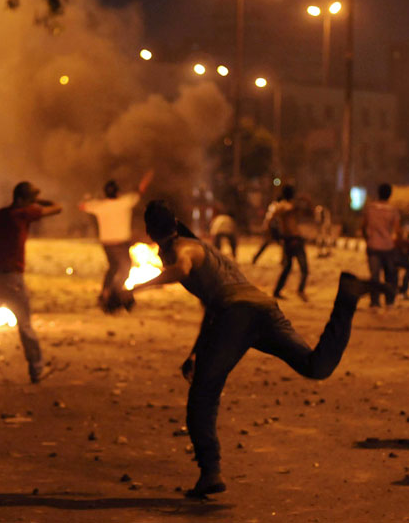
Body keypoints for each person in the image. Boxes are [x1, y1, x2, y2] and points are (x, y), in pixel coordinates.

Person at [120, 200, 384, 497]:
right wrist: (197, 350)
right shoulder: (200, 249)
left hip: (236, 314)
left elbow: (184, 270)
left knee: (203, 396)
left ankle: (210, 472)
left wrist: (135, 289)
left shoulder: (183, 248)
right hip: (261, 307)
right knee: (315, 366)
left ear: (150, 232)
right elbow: (213, 303)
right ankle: (347, 299)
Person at [0, 181, 62, 392]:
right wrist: (37, 202)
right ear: (23, 200)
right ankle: (36, 370)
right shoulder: (24, 214)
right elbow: (58, 207)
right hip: (12, 280)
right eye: (31, 198)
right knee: (25, 326)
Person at [79, 171, 153, 309]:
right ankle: (114, 295)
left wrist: (89, 199)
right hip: (121, 243)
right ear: (118, 192)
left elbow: (82, 206)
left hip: (106, 243)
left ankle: (105, 292)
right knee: (125, 269)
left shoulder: (99, 205)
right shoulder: (125, 202)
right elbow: (140, 190)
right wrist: (147, 178)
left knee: (113, 268)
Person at [361, 183, 402, 308]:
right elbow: (398, 230)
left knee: (374, 276)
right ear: (390, 195)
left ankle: (375, 301)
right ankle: (389, 301)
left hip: (373, 246)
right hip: (388, 247)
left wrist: (368, 239)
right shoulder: (393, 210)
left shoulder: (370, 209)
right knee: (390, 275)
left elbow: (363, 226)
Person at [272, 185, 309, 301]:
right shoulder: (283, 206)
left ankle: (279, 290)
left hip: (293, 239)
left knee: (289, 267)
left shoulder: (286, 206)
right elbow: (289, 209)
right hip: (293, 240)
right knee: (301, 268)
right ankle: (298, 290)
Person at [251, 199, 281, 264]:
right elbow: (270, 218)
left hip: (273, 228)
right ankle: (255, 257)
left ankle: (284, 260)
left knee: (268, 244)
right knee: (268, 243)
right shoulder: (276, 206)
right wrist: (268, 228)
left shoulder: (273, 206)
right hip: (272, 228)